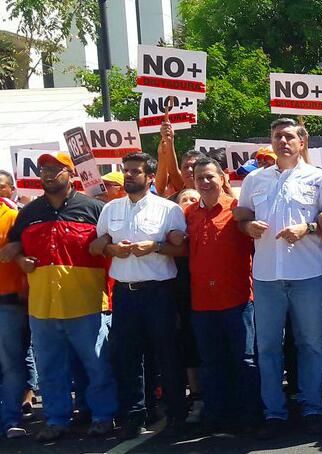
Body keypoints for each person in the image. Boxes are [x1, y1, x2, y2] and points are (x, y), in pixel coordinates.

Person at [234, 118, 322, 438]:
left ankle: (312, 406)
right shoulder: (254, 180)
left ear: (302, 142)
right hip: (267, 278)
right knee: (267, 348)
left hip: (307, 275)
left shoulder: (320, 178)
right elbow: (241, 216)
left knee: (311, 344)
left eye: (289, 136)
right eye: (277, 136)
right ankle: (274, 412)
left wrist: (307, 228)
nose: (283, 141)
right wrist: (247, 227)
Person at [0, 152, 117, 441]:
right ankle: (56, 419)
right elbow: (14, 245)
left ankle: (104, 416)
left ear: (69, 173)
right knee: (51, 368)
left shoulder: (94, 208)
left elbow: (111, 241)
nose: (48, 174)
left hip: (86, 302)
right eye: (43, 169)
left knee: (96, 364)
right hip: (43, 305)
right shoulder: (29, 212)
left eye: (54, 169)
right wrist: (20, 260)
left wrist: (105, 242)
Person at [91, 153, 188, 438]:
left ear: (149, 176)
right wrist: (112, 249)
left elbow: (181, 249)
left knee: (167, 354)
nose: (129, 175)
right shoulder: (111, 209)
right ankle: (135, 415)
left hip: (159, 293)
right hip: (125, 294)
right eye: (126, 171)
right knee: (129, 357)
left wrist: (155, 246)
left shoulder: (168, 209)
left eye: (135, 171)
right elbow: (98, 245)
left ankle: (176, 414)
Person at [183, 157, 262, 432]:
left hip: (238, 299)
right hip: (202, 302)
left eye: (209, 177)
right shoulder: (188, 213)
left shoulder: (238, 210)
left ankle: (251, 416)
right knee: (211, 362)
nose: (204, 183)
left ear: (223, 178)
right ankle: (218, 417)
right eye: (199, 178)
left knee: (244, 360)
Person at [0, 188, 27, 438]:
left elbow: (28, 252)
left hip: (7, 302)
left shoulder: (13, 216)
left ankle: (9, 420)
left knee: (10, 364)